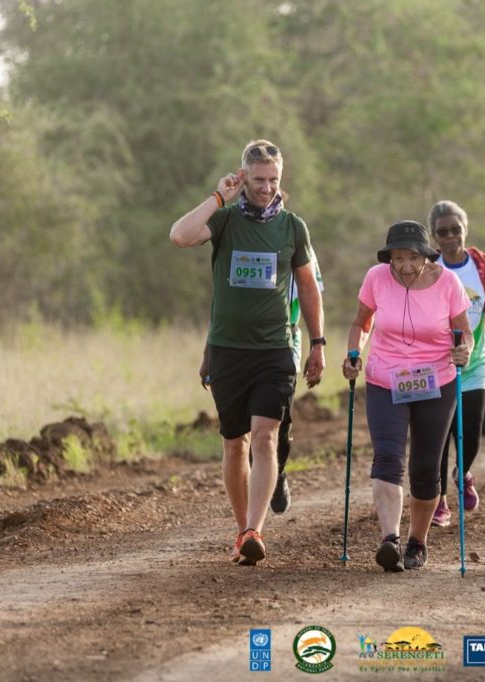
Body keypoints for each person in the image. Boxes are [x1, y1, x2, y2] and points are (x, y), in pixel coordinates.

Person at [170, 139, 325, 566]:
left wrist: (317, 343)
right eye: (258, 180)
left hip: (274, 349)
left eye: (273, 180)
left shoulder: (293, 227)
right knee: (234, 444)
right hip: (227, 350)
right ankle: (241, 531)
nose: (266, 188)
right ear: (243, 178)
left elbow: (309, 289)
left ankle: (256, 529)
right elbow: (180, 236)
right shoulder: (223, 221)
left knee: (265, 436)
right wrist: (220, 196)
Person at [342, 220, 472, 572]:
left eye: (412, 258)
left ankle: (417, 541)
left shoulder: (448, 282)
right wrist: (354, 353)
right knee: (387, 458)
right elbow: (361, 323)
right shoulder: (376, 278)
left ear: (427, 256)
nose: (404, 266)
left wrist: (465, 352)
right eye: (397, 258)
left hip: (436, 380)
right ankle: (390, 539)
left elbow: (464, 332)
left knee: (426, 468)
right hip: (386, 378)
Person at [198, 258, 324, 515]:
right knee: (245, 430)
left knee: (279, 419)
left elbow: (311, 293)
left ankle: (277, 470)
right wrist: (208, 352)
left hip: (284, 340)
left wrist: (317, 344)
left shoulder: (296, 240)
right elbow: (222, 305)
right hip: (235, 345)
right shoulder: (238, 239)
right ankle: (247, 522)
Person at [428, 201, 485, 528]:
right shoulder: (429, 267)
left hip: (476, 362)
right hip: (436, 365)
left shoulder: (484, 268)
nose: (450, 237)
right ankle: (438, 500)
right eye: (442, 231)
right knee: (440, 434)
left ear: (466, 230)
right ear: (434, 235)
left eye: (455, 230)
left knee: (471, 432)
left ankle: (462, 473)